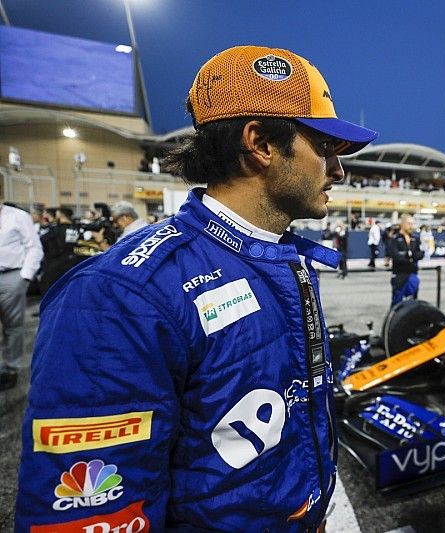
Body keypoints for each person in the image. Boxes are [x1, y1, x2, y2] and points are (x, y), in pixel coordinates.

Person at [15, 44, 378, 532]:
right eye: (325, 148)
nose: (338, 170)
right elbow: (90, 510)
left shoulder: (279, 254)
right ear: (261, 145)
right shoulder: (119, 296)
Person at [0, 201, 43, 391]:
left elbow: (34, 247)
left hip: (11, 276)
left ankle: (11, 368)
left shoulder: (18, 217)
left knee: (12, 325)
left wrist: (24, 277)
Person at [389, 214, 424, 306]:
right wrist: (411, 256)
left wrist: (408, 255)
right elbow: (396, 256)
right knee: (397, 302)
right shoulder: (395, 239)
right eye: (409, 223)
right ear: (402, 224)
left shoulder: (415, 238)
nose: (411, 226)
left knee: (413, 301)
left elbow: (420, 254)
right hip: (399, 274)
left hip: (413, 273)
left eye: (412, 224)